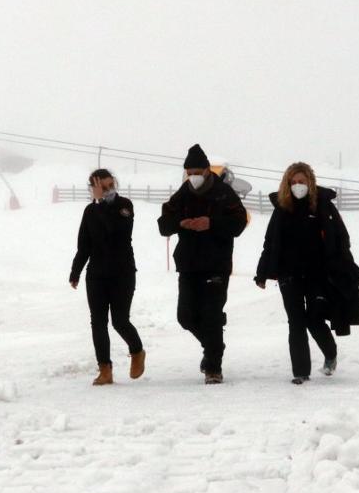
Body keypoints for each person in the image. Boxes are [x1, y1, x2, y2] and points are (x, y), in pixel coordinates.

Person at [254, 162, 359, 384]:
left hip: (318, 274)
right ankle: (300, 372)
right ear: (288, 184)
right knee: (295, 321)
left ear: (310, 183)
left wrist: (347, 267)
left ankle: (330, 352)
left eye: (302, 182)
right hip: (289, 275)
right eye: (294, 182)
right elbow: (270, 242)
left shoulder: (323, 207)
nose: (298, 186)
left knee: (314, 319)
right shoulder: (282, 209)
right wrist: (262, 273)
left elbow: (341, 238)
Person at [158, 144, 248, 384]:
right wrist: (181, 223)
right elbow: (163, 223)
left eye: (198, 171)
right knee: (185, 317)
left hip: (216, 264)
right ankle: (213, 346)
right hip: (188, 264)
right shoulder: (183, 193)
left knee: (211, 314)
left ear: (208, 170)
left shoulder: (224, 193)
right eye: (190, 173)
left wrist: (212, 223)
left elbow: (239, 223)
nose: (194, 177)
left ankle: (213, 367)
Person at [70, 169, 145, 385]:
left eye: (109, 185)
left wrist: (101, 202)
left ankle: (137, 351)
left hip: (122, 273)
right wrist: (75, 271)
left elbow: (116, 233)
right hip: (96, 275)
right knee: (98, 322)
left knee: (120, 320)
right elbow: (84, 245)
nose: (107, 189)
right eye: (102, 186)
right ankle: (105, 369)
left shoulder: (124, 206)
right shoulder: (90, 211)